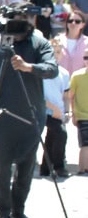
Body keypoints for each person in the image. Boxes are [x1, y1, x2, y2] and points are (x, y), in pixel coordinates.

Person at [0, 3, 57, 218]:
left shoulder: (39, 42)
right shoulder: (0, 41)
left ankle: (18, 211)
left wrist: (28, 67)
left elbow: (52, 68)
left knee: (26, 167)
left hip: (30, 115)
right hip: (1, 117)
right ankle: (3, 214)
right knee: (1, 168)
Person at [39, 39, 71, 178]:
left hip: (57, 112)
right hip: (42, 110)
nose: (55, 55)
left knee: (52, 136)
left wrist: (66, 111)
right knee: (60, 133)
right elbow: (38, 95)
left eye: (58, 52)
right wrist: (54, 108)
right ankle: (59, 166)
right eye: (52, 52)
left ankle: (45, 167)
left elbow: (65, 95)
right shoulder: (41, 71)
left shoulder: (63, 73)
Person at [71, 53, 88, 173]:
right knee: (85, 145)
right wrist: (73, 114)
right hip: (83, 115)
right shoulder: (77, 75)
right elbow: (71, 96)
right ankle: (83, 169)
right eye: (86, 57)